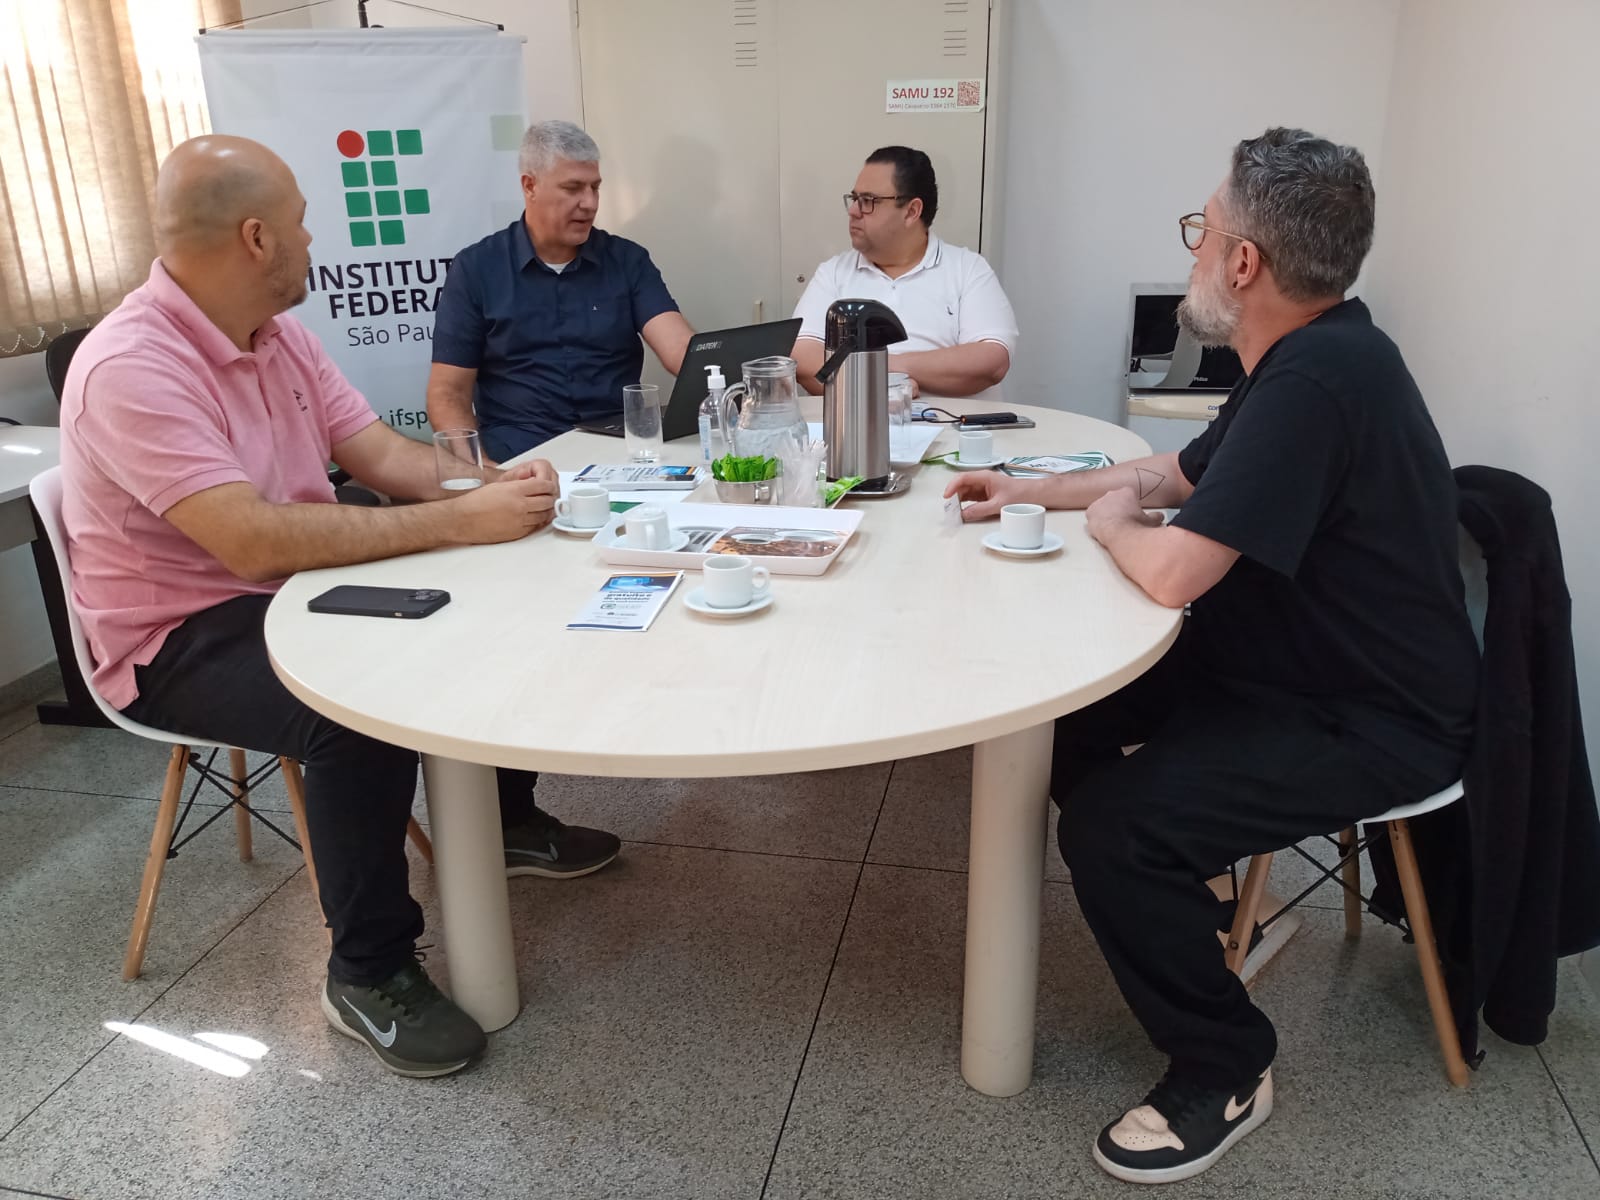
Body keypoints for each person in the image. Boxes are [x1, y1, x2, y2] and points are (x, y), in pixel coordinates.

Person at [946, 128, 1477, 1184]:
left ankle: (1226, 1061)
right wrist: (1028, 491)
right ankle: (1203, 912)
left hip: (1370, 717)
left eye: (1203, 231)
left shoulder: (1315, 382)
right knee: (1067, 718)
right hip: (1291, 663)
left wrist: (1107, 526)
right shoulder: (1317, 350)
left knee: (1114, 828)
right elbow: (1179, 475)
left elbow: (1173, 573)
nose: (1193, 249)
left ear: (1243, 263)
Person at [59, 135, 619, 1079]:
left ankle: (503, 822)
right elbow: (251, 542)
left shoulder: (277, 334)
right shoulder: (131, 366)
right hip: (178, 635)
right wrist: (457, 523)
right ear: (256, 238)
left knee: (480, 607)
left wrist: (495, 491)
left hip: (288, 590)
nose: (313, 239)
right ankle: (368, 969)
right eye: (302, 223)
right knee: (352, 708)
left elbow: (383, 458)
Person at [427, 121, 694, 461]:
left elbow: (681, 350)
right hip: (518, 450)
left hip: (616, 445)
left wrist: (744, 375)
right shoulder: (476, 268)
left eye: (595, 187)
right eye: (573, 188)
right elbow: (448, 393)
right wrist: (479, 472)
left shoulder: (627, 261)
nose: (590, 203)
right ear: (530, 186)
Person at [791, 146, 1017, 401]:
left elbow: (991, 361)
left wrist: (885, 367)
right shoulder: (833, 273)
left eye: (868, 201)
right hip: (854, 422)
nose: (853, 211)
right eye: (854, 199)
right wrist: (884, 385)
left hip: (952, 424)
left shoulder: (968, 269)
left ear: (911, 211)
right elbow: (803, 358)